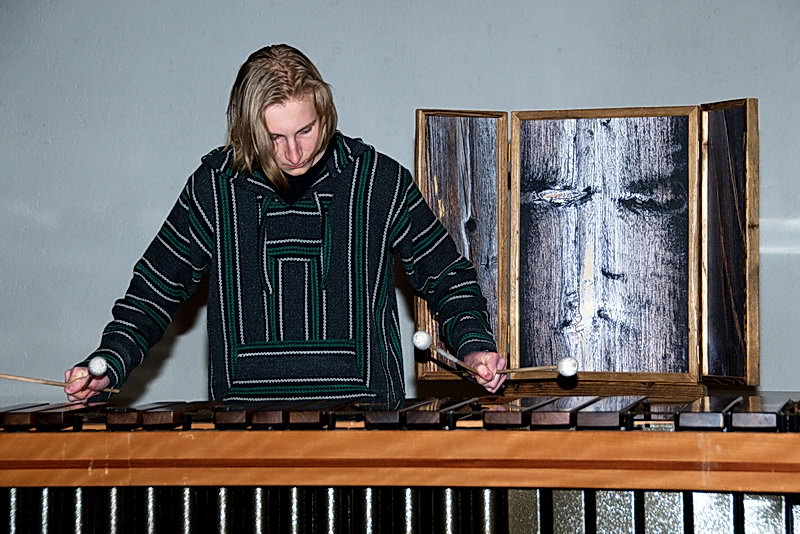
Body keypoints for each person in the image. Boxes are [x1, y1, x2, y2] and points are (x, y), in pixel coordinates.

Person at [64, 44, 506, 404]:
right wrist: (110, 360)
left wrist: (474, 345)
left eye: (305, 131)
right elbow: (155, 289)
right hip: (244, 433)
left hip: (365, 428)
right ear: (247, 131)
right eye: (274, 138)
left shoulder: (379, 181)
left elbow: (447, 276)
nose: (294, 153)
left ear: (324, 113)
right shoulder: (214, 187)